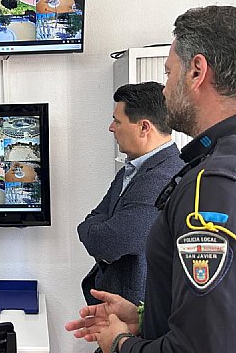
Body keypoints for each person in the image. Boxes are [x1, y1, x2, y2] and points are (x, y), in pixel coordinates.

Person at [66, 5, 236, 353]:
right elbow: (235, 316)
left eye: (169, 73)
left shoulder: (220, 188)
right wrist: (146, 317)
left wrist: (120, 345)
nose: (166, 88)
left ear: (197, 71)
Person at [78, 82, 183, 306]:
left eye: (117, 121)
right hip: (119, 306)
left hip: (136, 311)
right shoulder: (132, 169)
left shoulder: (162, 177)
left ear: (144, 127)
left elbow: (108, 243)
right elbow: (94, 218)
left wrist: (99, 228)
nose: (111, 128)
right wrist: (99, 226)